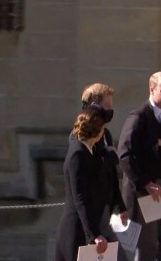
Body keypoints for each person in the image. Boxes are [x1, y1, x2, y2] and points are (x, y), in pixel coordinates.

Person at [56, 106, 128, 261]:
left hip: (91, 223)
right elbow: (80, 199)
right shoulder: (77, 155)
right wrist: (94, 234)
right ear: (97, 131)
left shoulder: (91, 151)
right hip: (77, 228)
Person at [118, 72, 161, 261]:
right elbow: (124, 154)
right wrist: (145, 182)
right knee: (147, 245)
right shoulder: (139, 116)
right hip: (147, 194)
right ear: (152, 89)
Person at [80, 83, 128, 219]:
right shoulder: (82, 136)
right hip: (92, 208)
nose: (110, 110)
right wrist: (109, 157)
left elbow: (111, 175)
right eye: (107, 106)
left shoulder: (106, 134)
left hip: (106, 207)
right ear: (95, 105)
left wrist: (119, 207)